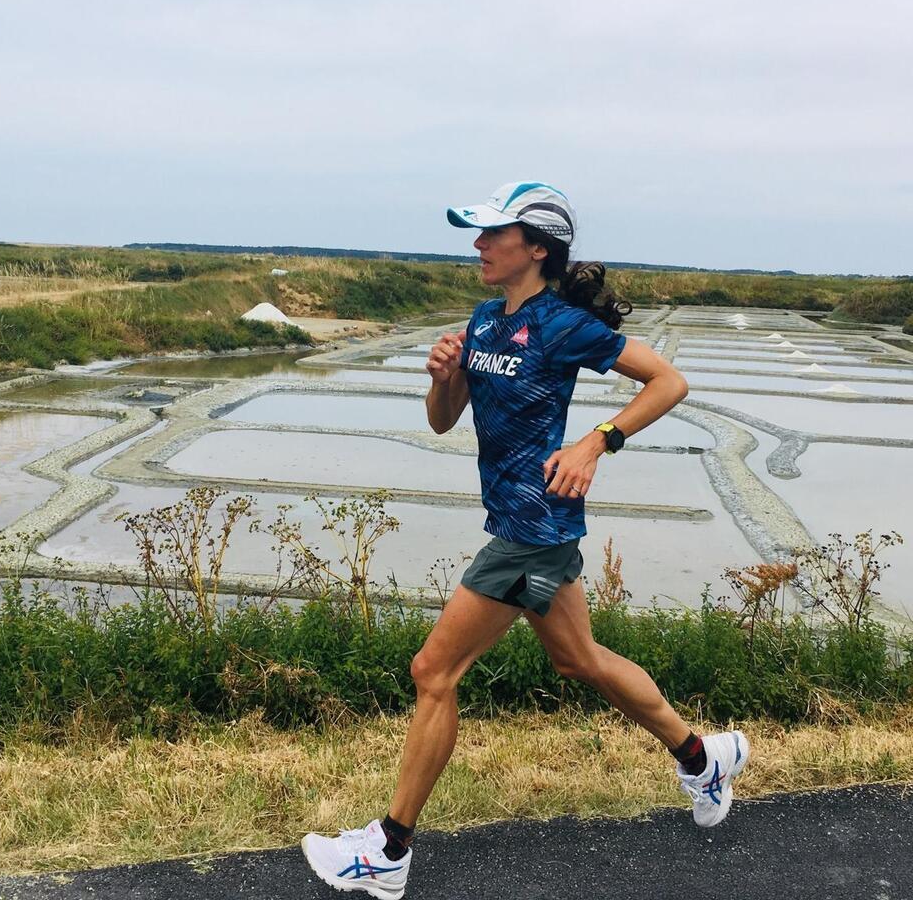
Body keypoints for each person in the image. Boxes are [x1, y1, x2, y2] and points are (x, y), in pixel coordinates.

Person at [301, 182, 749, 899]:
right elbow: (444, 421)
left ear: (536, 247)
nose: (478, 246)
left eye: (493, 235)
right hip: (526, 525)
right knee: (581, 661)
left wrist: (597, 442)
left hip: (530, 531)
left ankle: (388, 851)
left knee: (432, 672)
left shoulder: (562, 324)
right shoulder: (482, 320)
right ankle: (704, 758)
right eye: (478, 235)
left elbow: (669, 382)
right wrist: (447, 377)